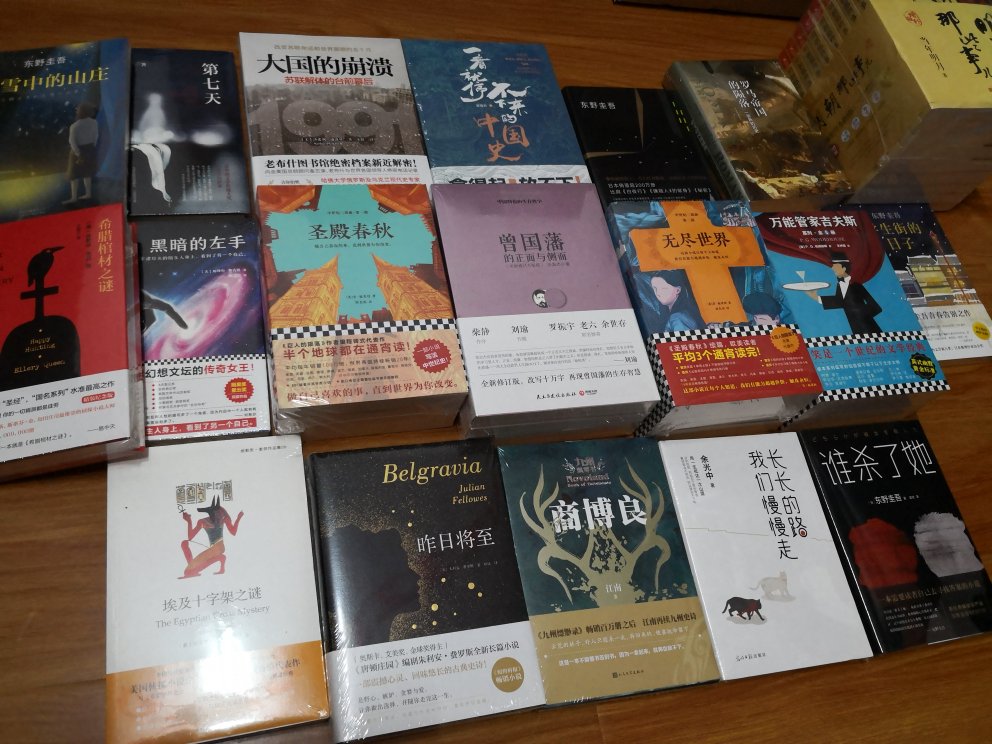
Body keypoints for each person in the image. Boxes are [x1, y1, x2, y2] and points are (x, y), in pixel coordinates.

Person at [805, 250, 881, 334]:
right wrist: (815, 297)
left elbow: (876, 308)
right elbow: (838, 301)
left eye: (836, 267)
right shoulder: (840, 286)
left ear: (844, 268)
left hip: (871, 330)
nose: (833, 269)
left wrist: (859, 313)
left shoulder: (856, 285)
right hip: (856, 331)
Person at [65, 102, 99, 204]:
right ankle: (88, 193)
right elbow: (95, 136)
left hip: (77, 151)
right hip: (90, 149)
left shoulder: (74, 126)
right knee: (87, 173)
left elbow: (72, 141)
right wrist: (91, 148)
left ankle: (74, 197)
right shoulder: (94, 122)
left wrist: (78, 153)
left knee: (74, 176)